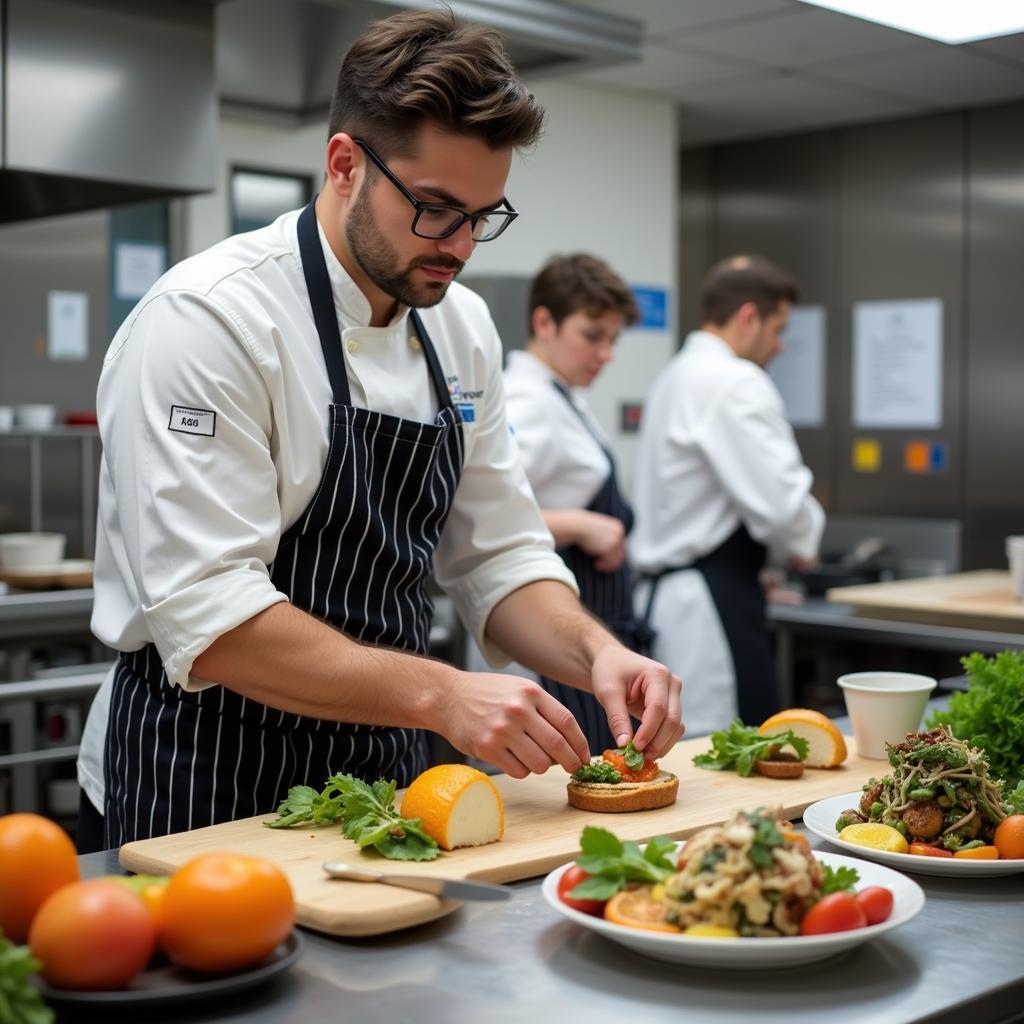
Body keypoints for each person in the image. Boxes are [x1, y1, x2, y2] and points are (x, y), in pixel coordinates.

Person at [75, 8, 682, 852]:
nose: (461, 245)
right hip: (201, 770)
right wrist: (441, 695)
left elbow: (499, 555)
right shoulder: (210, 319)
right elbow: (209, 618)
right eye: (435, 209)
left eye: (484, 214)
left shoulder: (459, 328)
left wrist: (594, 654)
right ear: (344, 165)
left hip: (384, 774)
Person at [631, 255, 823, 734]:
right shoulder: (734, 381)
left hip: (671, 600)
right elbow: (783, 506)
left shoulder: (674, 375)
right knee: (725, 753)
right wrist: (803, 545)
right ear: (748, 318)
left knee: (678, 746)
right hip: (708, 610)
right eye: (778, 329)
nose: (779, 346)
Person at [503, 254, 651, 751]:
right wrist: (582, 524)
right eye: (592, 336)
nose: (606, 353)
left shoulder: (563, 396)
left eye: (613, 340)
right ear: (544, 322)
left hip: (590, 623)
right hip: (553, 637)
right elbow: (481, 521)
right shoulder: (528, 402)